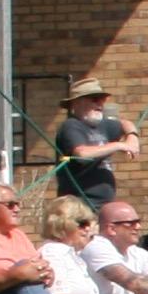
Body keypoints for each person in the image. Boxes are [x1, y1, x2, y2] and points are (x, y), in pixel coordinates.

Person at [51, 76, 135, 211]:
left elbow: (126, 123)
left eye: (102, 99)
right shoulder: (71, 126)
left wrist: (132, 137)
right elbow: (82, 153)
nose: (100, 104)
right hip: (79, 207)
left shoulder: (103, 125)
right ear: (76, 103)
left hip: (104, 205)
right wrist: (119, 145)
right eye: (94, 99)